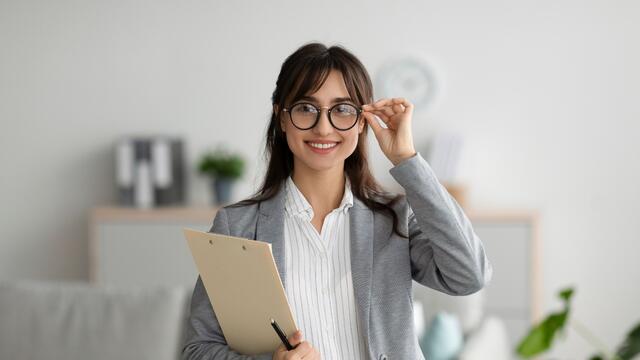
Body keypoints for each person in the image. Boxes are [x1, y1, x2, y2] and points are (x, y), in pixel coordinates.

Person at [182, 42, 493, 360]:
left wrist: (406, 159)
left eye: (342, 110)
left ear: (362, 121)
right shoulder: (238, 226)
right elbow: (198, 350)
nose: (323, 127)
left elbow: (469, 275)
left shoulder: (394, 218)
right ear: (282, 117)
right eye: (306, 107)